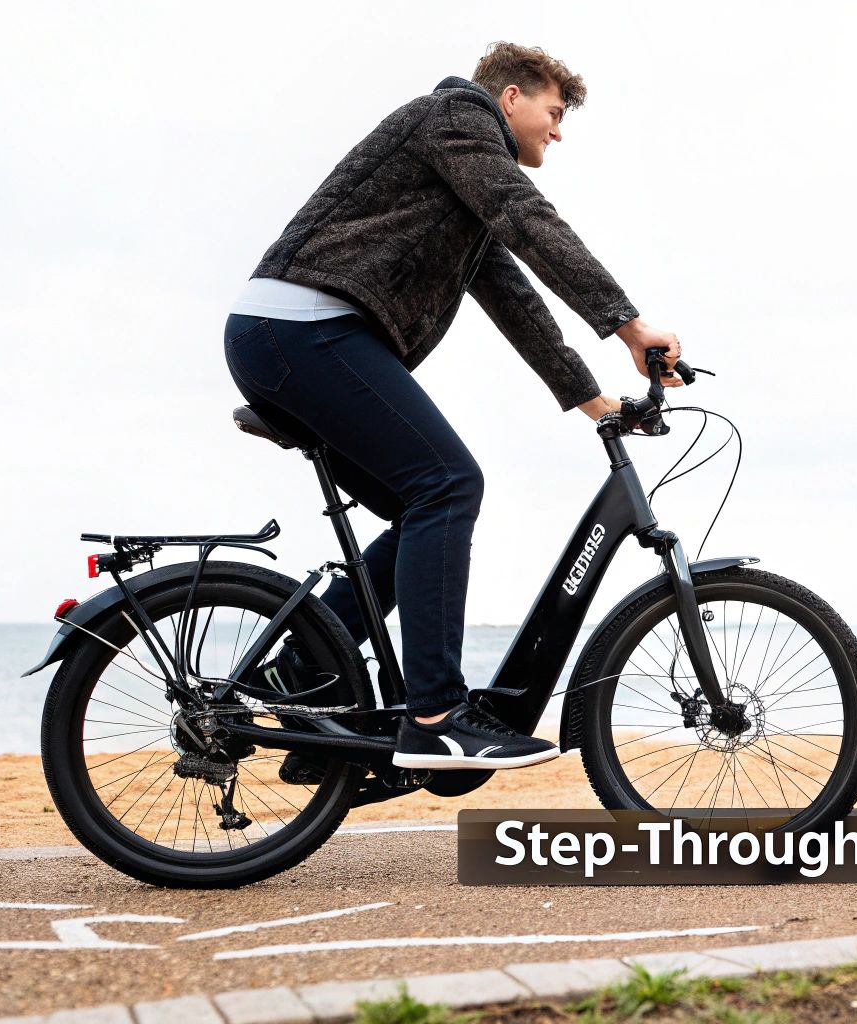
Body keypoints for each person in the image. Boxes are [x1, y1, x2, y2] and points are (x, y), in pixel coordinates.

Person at [223, 42, 683, 771]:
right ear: (510, 98)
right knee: (448, 484)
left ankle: (304, 674)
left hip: (293, 336)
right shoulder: (454, 119)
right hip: (300, 330)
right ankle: (436, 715)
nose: (558, 132)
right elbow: (528, 218)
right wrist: (629, 326)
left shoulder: (460, 181)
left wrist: (595, 402)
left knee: (421, 507)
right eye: (554, 113)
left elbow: (514, 298)